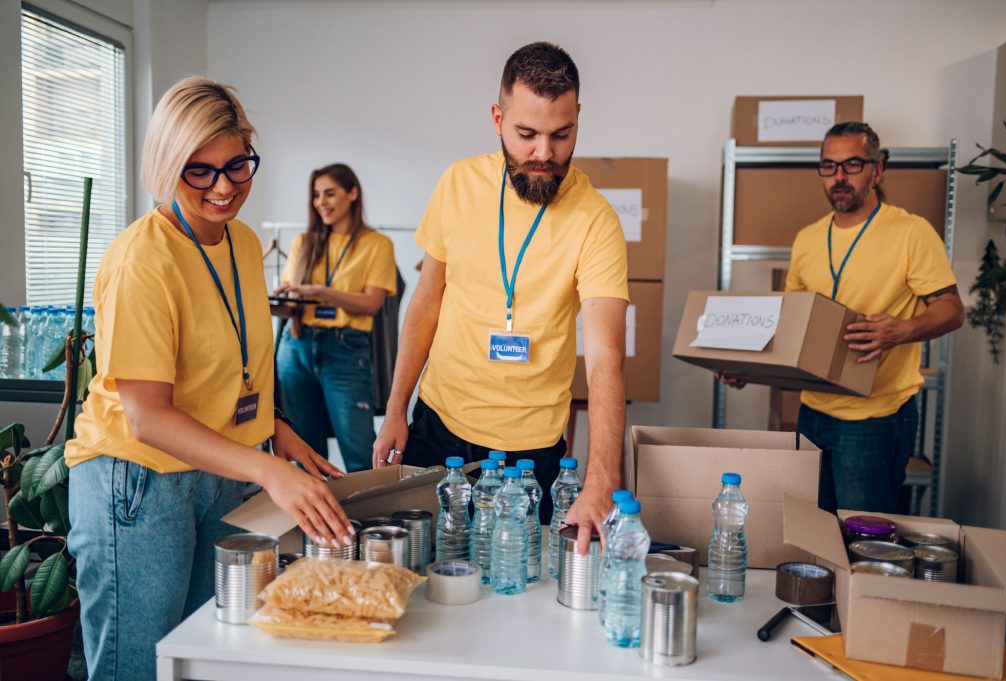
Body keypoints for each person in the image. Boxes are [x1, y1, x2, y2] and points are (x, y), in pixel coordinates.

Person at [64, 77, 354, 681]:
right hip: (138, 481)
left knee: (203, 660)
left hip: (221, 471)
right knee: (138, 669)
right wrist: (269, 471)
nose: (224, 188)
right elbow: (147, 414)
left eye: (237, 165)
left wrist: (278, 431)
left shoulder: (243, 244)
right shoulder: (141, 259)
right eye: (200, 171)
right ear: (168, 165)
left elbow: (229, 366)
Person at [373, 42, 628, 544]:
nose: (544, 154)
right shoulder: (457, 184)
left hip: (531, 453)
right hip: (438, 425)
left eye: (561, 134)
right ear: (497, 118)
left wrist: (603, 474)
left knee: (518, 593)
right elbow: (427, 302)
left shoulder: (596, 219)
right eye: (526, 134)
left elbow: (605, 356)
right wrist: (396, 408)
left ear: (579, 118)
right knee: (425, 583)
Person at [720, 122, 964, 514]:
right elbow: (790, 327)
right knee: (814, 534)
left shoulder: (911, 232)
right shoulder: (808, 239)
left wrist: (901, 330)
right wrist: (750, 368)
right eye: (829, 166)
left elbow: (952, 310)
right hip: (813, 412)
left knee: (861, 540)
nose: (839, 177)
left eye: (852, 165)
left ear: (878, 170)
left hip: (876, 417)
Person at [273, 164, 397, 472]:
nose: (321, 202)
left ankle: (368, 519)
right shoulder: (303, 243)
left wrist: (320, 291)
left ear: (352, 193)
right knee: (304, 452)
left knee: (359, 453)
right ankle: (313, 520)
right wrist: (269, 303)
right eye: (316, 195)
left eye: (329, 193)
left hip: (346, 350)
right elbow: (291, 309)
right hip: (296, 345)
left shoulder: (377, 244)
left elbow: (370, 304)